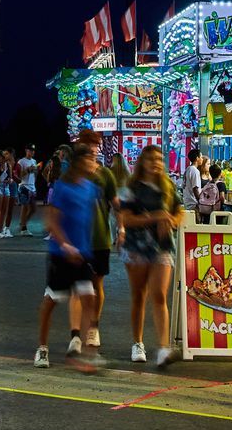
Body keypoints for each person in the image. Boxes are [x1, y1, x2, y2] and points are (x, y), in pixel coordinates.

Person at [34, 142, 103, 369]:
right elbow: (51, 220)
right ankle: (42, 349)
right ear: (78, 162)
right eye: (90, 159)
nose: (94, 163)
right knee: (51, 301)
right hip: (61, 255)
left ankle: (83, 353)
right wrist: (65, 245)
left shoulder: (91, 187)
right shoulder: (63, 187)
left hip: (82, 255)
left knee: (89, 299)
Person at [117, 144, 182, 367]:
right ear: (142, 163)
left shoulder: (168, 186)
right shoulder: (131, 188)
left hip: (162, 247)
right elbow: (125, 218)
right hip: (137, 248)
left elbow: (179, 210)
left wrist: (171, 221)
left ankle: (164, 348)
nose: (156, 162)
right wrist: (156, 217)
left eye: (160, 159)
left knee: (160, 295)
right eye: (151, 158)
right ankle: (138, 342)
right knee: (139, 295)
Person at [72, 146, 120, 356]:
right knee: (79, 286)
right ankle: (75, 334)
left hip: (100, 238)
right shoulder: (73, 176)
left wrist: (122, 228)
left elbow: (115, 203)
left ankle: (93, 326)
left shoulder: (105, 175)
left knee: (97, 283)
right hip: (77, 239)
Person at [15, 145, 40, 236]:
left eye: (33, 150)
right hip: (24, 186)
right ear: (26, 150)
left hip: (32, 187)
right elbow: (19, 175)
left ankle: (23, 223)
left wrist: (36, 171)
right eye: (30, 150)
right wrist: (28, 170)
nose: (32, 152)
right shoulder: (21, 161)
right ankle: (24, 229)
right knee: (24, 207)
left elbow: (35, 175)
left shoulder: (34, 161)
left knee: (33, 209)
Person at [0, 147, 14, 238]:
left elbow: (11, 178)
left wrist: (10, 180)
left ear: (2, 157)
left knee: (3, 211)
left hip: (6, 187)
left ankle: (0, 230)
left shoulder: (8, 165)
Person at [182, 151, 205, 223]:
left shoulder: (188, 169)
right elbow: (195, 188)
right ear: (197, 158)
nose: (202, 159)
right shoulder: (195, 171)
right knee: (196, 226)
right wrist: (200, 201)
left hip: (187, 202)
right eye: (201, 157)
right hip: (193, 204)